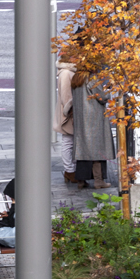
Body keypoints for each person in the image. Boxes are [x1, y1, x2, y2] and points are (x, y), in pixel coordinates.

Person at [56, 57, 82, 185]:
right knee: (68, 140)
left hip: (70, 110)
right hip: (69, 112)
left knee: (70, 140)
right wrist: (70, 110)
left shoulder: (68, 71)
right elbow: (66, 95)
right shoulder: (66, 73)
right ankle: (69, 170)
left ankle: (71, 169)